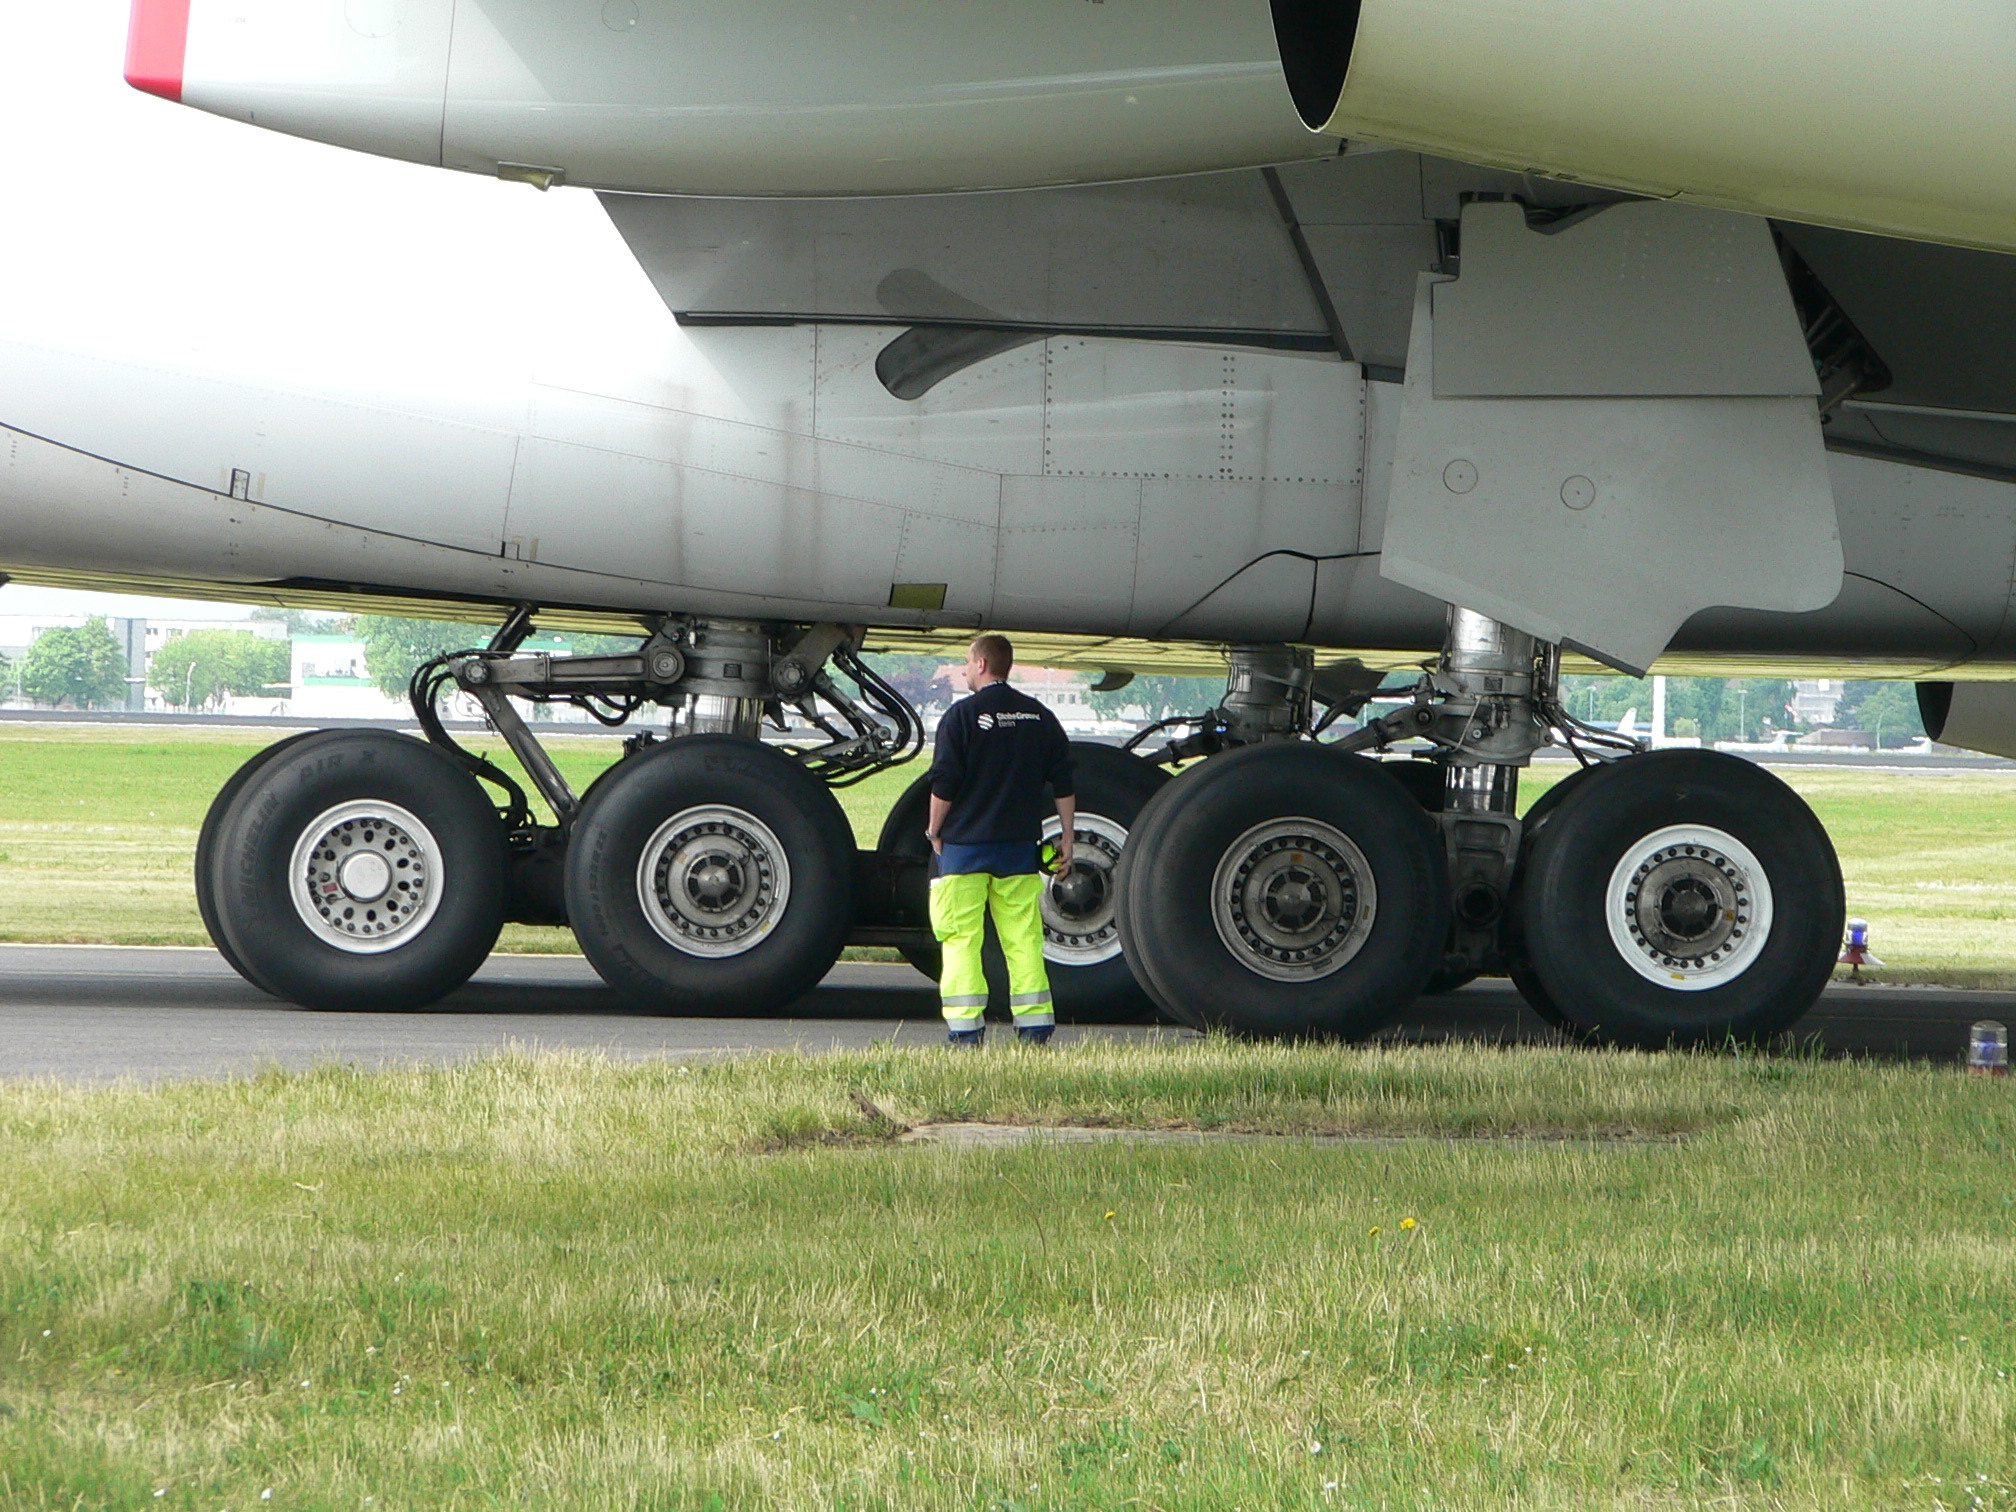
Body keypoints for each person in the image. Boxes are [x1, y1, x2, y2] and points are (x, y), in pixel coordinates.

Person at [925, 633, 1076, 1047]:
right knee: (1023, 939)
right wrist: (1067, 837)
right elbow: (1063, 782)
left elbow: (944, 783)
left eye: (966, 662)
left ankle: (965, 1031)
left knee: (960, 940)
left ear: (980, 664)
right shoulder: (1039, 716)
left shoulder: (961, 716)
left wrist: (934, 831)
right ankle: (1034, 1029)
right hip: (1017, 850)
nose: (963, 669)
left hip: (964, 850)